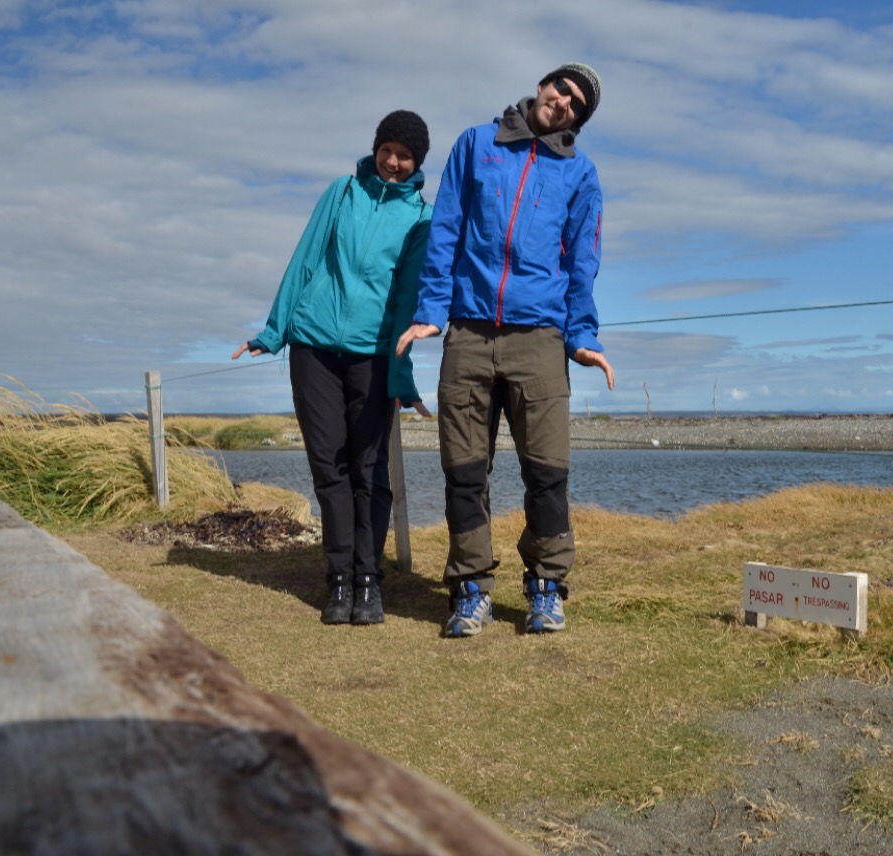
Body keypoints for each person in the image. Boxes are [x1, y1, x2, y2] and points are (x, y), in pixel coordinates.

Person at [396, 63, 614, 638]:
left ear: (577, 121)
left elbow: (582, 260)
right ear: (543, 85)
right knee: (464, 473)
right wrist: (430, 311)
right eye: (562, 89)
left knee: (547, 474)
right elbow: (446, 231)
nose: (565, 102)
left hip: (539, 339)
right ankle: (470, 589)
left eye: (577, 104)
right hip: (468, 334)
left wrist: (582, 336)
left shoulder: (580, 173)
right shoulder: (476, 144)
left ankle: (546, 587)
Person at [233, 110, 433, 626]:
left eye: (404, 155)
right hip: (313, 348)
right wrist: (274, 331)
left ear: (417, 163)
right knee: (329, 467)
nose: (393, 161)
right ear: (375, 148)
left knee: (369, 470)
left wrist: (402, 374)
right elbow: (304, 260)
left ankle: (369, 582)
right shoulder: (341, 192)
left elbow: (408, 300)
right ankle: (339, 579)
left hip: (374, 355)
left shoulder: (421, 218)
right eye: (387, 150)